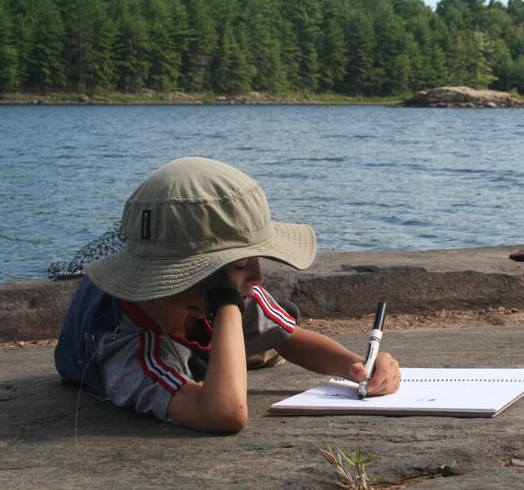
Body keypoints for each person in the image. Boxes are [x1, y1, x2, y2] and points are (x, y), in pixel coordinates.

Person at [54, 157, 400, 432]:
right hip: (125, 353)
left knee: (272, 323)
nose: (259, 276)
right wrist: (229, 304)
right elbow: (224, 414)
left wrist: (359, 367)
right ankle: (235, 350)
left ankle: (238, 347)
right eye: (241, 264)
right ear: (192, 275)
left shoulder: (213, 291)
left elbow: (289, 338)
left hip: (204, 314)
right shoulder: (127, 347)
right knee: (219, 361)